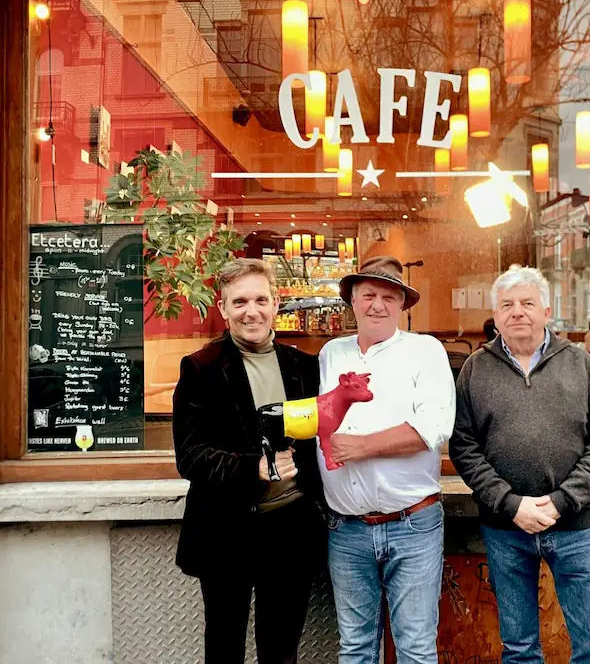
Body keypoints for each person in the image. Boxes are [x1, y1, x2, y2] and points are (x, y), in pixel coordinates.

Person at [449, 265, 590, 664]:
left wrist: (562, 501)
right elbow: (464, 446)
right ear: (495, 316)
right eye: (507, 305)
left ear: (546, 311)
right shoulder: (475, 368)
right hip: (506, 529)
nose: (517, 312)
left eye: (527, 303)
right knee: (519, 650)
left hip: (576, 528)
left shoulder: (579, 363)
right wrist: (511, 505)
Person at [172, 258, 325, 664]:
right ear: (223, 309)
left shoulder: (305, 367)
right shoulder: (201, 368)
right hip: (225, 529)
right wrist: (253, 467)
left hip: (290, 530)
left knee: (281, 651)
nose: (251, 311)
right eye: (239, 302)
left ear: (276, 303)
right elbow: (190, 456)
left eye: (260, 300)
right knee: (224, 649)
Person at [317, 256, 456, 664]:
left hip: (412, 525)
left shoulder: (425, 350)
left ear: (402, 305)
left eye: (388, 297)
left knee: (415, 648)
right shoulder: (331, 353)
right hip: (346, 528)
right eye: (368, 295)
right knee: (355, 647)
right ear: (352, 301)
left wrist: (360, 447)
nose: (377, 305)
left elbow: (433, 427)